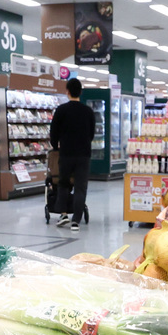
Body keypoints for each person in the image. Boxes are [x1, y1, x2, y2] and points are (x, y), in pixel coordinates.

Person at [48, 78, 95, 232]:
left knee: (62, 183)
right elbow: (92, 133)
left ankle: (63, 214)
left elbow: (53, 132)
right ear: (80, 92)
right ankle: (76, 220)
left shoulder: (61, 110)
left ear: (67, 91)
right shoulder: (88, 111)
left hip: (66, 153)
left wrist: (56, 146)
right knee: (80, 187)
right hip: (83, 155)